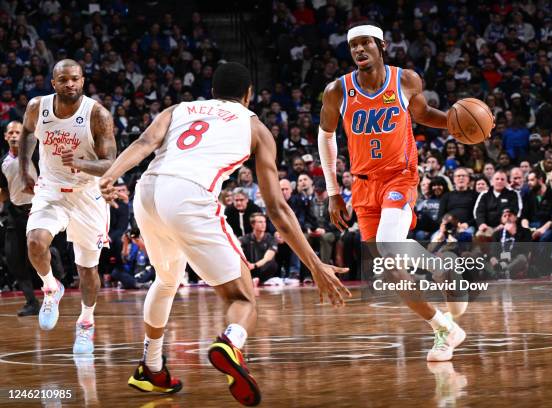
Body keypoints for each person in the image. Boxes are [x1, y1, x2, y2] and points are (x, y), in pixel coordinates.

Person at [99, 62, 350, 404]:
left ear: (213, 91)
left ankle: (152, 368)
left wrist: (111, 174)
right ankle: (230, 342)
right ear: (248, 95)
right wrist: (315, 265)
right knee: (243, 298)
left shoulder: (179, 108)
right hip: (188, 196)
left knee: (166, 280)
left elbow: (144, 142)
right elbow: (277, 209)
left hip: (147, 192)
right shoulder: (257, 128)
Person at [318, 21, 468, 362]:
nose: (358, 49)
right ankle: (445, 323)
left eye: (365, 43)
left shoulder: (405, 80)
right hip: (361, 184)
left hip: (399, 177)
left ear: (381, 46)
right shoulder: (337, 91)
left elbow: (424, 113)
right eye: (353, 45)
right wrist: (333, 191)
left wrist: (455, 123)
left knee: (388, 246)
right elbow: (325, 136)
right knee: (388, 269)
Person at [18, 59, 116, 354]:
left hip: (87, 195)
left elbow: (111, 163)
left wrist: (82, 163)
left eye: (74, 79)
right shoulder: (38, 106)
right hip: (50, 190)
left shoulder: (97, 114)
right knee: (35, 242)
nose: (69, 84)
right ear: (54, 83)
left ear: (83, 81)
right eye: (63, 80)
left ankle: (86, 323)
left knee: (87, 270)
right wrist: (25, 169)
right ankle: (51, 287)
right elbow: (25, 134)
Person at [0, 121, 39, 315]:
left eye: (18, 132)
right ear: (6, 137)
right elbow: (4, 191)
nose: (14, 135)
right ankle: (31, 302)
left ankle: (54, 287)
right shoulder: (3, 162)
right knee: (14, 259)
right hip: (15, 215)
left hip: (39, 212)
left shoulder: (36, 154)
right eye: (11, 133)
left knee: (43, 254)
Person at [240, 213, 279, 286]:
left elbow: (267, 258)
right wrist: (246, 264)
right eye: (260, 222)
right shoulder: (245, 238)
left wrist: (254, 265)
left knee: (272, 264)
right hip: (249, 268)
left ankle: (258, 280)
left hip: (262, 268)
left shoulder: (271, 239)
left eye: (264, 222)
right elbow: (237, 250)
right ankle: (250, 279)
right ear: (253, 224)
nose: (263, 224)